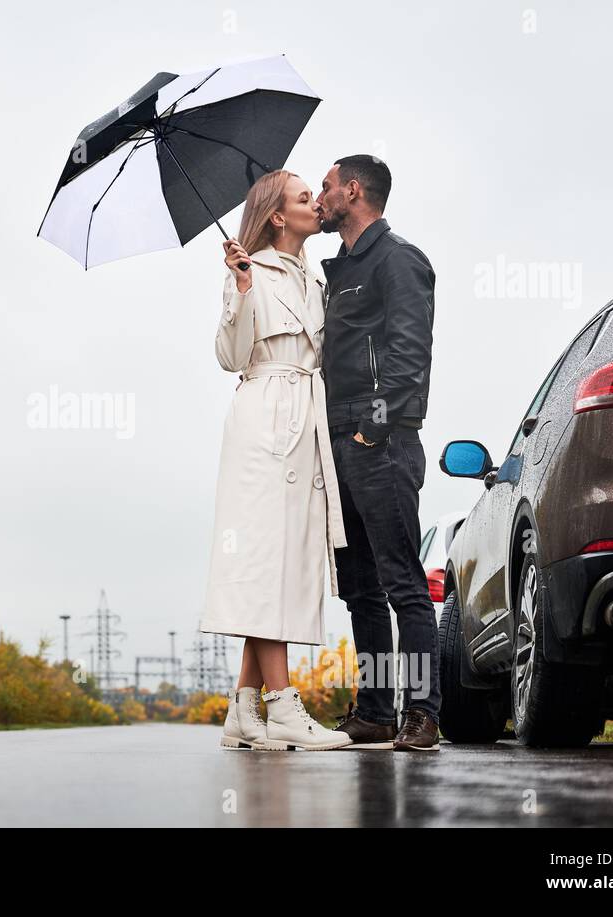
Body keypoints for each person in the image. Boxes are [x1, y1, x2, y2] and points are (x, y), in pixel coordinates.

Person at [199, 169, 352, 752]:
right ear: (278, 217)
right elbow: (230, 357)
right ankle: (284, 710)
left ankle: (243, 710)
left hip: (304, 416)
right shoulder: (251, 272)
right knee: (264, 561)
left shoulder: (313, 279)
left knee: (280, 561)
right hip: (264, 419)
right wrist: (239, 290)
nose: (316, 201)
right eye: (303, 197)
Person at [314, 154, 441, 751]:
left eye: (327, 185)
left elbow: (409, 356)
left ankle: (422, 713)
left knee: (402, 584)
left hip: (380, 443)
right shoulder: (338, 271)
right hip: (336, 444)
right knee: (359, 588)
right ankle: (374, 710)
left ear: (354, 190)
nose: (321, 196)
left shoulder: (399, 260)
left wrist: (371, 430)